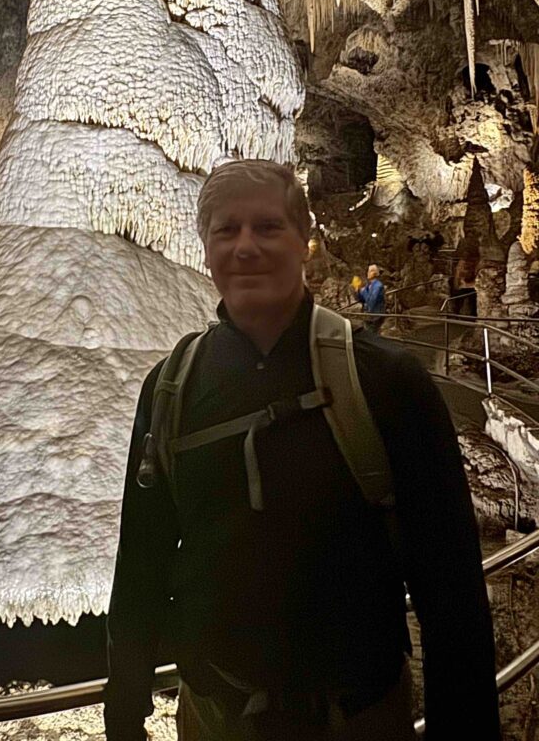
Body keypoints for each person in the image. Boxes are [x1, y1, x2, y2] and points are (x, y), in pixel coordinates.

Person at [104, 159, 499, 741]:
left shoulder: (387, 382)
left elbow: (451, 588)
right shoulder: (172, 388)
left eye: (267, 227)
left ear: (304, 241)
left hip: (357, 720)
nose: (245, 247)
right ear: (205, 248)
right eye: (226, 230)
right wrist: (125, 712)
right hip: (216, 718)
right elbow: (143, 559)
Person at [354, 263, 386, 332]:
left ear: (374, 273)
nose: (367, 273)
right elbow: (362, 299)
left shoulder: (378, 286)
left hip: (376, 315)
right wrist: (358, 291)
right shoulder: (368, 285)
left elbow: (371, 301)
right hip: (369, 315)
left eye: (369, 271)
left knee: (372, 334)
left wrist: (363, 291)